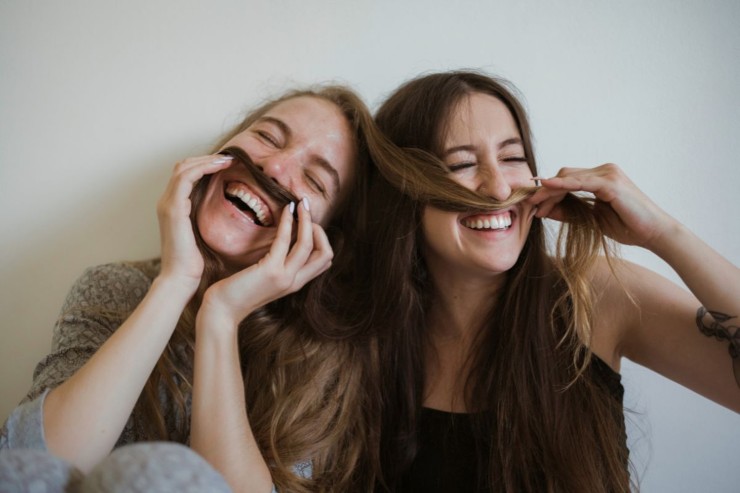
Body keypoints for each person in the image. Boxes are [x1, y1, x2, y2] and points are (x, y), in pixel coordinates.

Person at [0, 85, 396, 492]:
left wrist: (220, 318)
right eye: (267, 137)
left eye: (314, 179)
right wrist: (176, 282)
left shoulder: (319, 361)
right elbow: (31, 469)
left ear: (324, 242)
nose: (275, 168)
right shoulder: (116, 289)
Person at [357, 71, 740, 492]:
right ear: (403, 189)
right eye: (462, 164)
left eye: (512, 157)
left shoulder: (593, 292)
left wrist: (663, 234)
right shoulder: (363, 339)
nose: (499, 187)